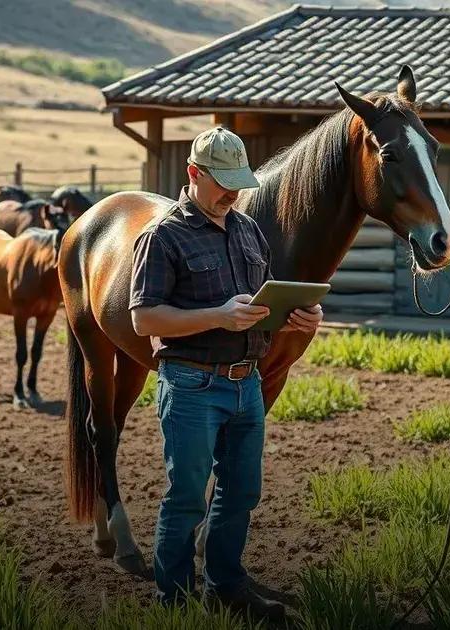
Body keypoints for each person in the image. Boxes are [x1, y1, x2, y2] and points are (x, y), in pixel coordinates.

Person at [128, 126, 323, 618]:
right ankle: (173, 599)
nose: (233, 193)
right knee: (188, 496)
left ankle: (225, 585)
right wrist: (217, 315)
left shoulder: (247, 230)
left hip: (246, 384)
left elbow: (262, 303)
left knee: (241, 492)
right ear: (193, 173)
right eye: (223, 182)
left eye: (239, 182)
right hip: (191, 383)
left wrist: (303, 317)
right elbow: (144, 318)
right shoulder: (162, 236)